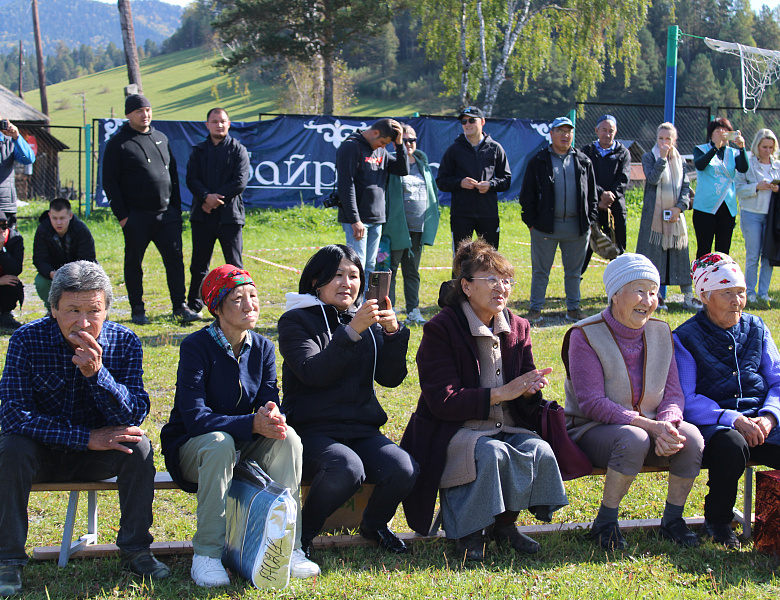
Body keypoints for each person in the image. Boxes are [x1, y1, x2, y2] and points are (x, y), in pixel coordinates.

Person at [0, 261, 170, 597]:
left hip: (99, 456)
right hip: (42, 452)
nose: (83, 322)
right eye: (72, 310)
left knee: (139, 446)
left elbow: (135, 412)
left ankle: (136, 548)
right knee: (10, 448)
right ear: (53, 309)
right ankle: (8, 559)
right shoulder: (26, 340)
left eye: (94, 310)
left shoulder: (124, 342)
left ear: (106, 308)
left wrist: (98, 375)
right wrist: (86, 438)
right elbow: (13, 415)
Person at [401, 239, 567, 561]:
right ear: (466, 286)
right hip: (452, 430)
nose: (500, 288)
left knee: (537, 448)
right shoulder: (441, 329)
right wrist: (501, 393)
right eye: (490, 280)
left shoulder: (518, 326)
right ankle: (467, 533)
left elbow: (524, 395)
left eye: (506, 281)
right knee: (491, 452)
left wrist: (531, 392)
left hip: (506, 426)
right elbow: (442, 401)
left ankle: (504, 526)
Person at [160, 265, 319, 587]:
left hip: (244, 443)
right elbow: (194, 419)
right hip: (195, 449)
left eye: (253, 297)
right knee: (218, 442)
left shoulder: (263, 347)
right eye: (238, 299)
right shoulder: (195, 347)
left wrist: (272, 414)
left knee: (288, 438)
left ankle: (290, 547)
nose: (250, 306)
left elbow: (268, 398)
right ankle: (207, 553)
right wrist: (252, 423)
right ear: (216, 307)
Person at [278, 244, 418, 556]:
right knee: (346, 468)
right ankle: (301, 536)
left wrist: (393, 333)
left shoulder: (364, 320)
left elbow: (390, 379)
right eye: (338, 275)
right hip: (313, 429)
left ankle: (375, 525)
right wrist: (352, 331)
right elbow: (312, 373)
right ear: (316, 280)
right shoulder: (296, 320)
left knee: (403, 468)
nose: (347, 283)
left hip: (360, 428)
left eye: (354, 276)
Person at [563, 253, 704, 550]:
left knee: (690, 437)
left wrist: (668, 425)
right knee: (633, 438)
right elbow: (592, 403)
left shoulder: (661, 331)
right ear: (615, 294)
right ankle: (605, 522)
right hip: (592, 429)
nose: (648, 300)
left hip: (650, 426)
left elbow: (673, 393)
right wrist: (651, 427)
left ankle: (673, 521)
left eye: (653, 292)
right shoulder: (584, 334)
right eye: (639, 290)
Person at [674, 252, 780, 549]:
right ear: (705, 296)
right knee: (732, 446)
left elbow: (777, 381)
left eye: (741, 292)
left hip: (761, 420)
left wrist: (770, 416)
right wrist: (731, 418)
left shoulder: (756, 327)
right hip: (714, 423)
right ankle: (718, 522)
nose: (737, 300)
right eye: (727, 293)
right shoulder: (685, 337)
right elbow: (686, 397)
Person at [102, 93, 200, 325]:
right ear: (128, 115)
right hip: (136, 216)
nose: (145, 114)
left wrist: (175, 208)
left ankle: (179, 306)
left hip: (167, 215)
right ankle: (137, 308)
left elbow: (173, 176)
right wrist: (123, 216)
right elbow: (110, 182)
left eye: (147, 110)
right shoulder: (118, 144)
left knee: (175, 262)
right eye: (139, 111)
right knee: (134, 263)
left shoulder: (161, 138)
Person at [519, 116, 598, 324]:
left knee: (574, 272)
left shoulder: (583, 161)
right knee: (540, 271)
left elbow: (592, 195)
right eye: (560, 131)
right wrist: (532, 223)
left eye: (568, 131)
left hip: (576, 228)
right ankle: (535, 310)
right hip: (545, 228)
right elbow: (527, 194)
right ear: (551, 134)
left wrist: (589, 220)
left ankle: (573, 309)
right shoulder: (538, 161)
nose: (565, 135)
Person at [185, 108, 251, 314]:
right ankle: (195, 305)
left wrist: (214, 200)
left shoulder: (238, 150)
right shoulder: (198, 151)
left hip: (230, 217)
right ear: (207, 125)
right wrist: (205, 197)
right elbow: (191, 179)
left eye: (222, 121)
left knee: (234, 265)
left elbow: (239, 182)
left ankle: (239, 303)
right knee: (199, 265)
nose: (219, 125)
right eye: (214, 121)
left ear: (229, 124)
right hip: (202, 217)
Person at [635, 123, 699, 311]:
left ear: (674, 140)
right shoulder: (649, 157)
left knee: (680, 254)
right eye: (661, 138)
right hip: (653, 220)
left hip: (675, 219)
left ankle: (688, 296)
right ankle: (656, 295)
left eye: (668, 139)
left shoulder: (680, 161)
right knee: (654, 255)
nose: (664, 143)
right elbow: (652, 179)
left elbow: (686, 188)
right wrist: (661, 159)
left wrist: (679, 208)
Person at [336, 118, 408, 280]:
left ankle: (364, 303)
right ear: (375, 133)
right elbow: (346, 185)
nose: (383, 146)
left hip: (377, 218)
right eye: (382, 142)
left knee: (369, 266)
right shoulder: (351, 147)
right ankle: (354, 305)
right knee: (357, 266)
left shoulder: (381, 151)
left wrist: (400, 144)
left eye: (387, 144)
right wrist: (355, 220)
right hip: (358, 220)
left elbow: (402, 169)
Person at [384, 124, 440, 325]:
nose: (408, 144)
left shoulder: (422, 164)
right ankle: (387, 311)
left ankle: (413, 310)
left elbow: (432, 191)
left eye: (412, 140)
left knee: (412, 271)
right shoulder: (392, 162)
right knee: (390, 271)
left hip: (418, 227)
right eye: (404, 140)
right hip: (396, 228)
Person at [436, 106, 511, 251]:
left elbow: (506, 180)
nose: (467, 124)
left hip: (488, 213)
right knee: (461, 260)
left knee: (490, 258)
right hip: (461, 214)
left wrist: (491, 184)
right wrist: (460, 183)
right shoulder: (454, 149)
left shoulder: (495, 148)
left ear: (482, 121)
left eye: (472, 120)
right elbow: (441, 181)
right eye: (464, 122)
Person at [580, 114, 631, 274]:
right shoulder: (586, 151)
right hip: (592, 205)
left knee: (618, 248)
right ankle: (575, 284)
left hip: (615, 207)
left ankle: (620, 283)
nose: (607, 134)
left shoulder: (623, 152)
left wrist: (610, 197)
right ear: (596, 130)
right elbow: (584, 177)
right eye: (604, 130)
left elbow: (624, 178)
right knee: (586, 245)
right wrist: (600, 195)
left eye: (611, 130)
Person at [736, 128, 780, 305]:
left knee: (768, 255)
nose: (767, 151)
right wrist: (756, 187)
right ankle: (751, 292)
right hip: (751, 214)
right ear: (757, 146)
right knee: (753, 255)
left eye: (770, 147)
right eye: (764, 147)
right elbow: (738, 188)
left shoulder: (777, 165)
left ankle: (763, 292)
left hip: (772, 217)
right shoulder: (748, 164)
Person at [692, 117, 748, 258]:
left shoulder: (733, 153)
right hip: (705, 207)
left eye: (726, 131)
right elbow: (700, 165)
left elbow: (743, 168)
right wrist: (715, 147)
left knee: (723, 251)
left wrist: (742, 148)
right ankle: (702, 278)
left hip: (726, 207)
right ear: (711, 134)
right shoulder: (700, 149)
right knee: (704, 249)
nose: (722, 133)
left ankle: (721, 278)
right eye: (718, 130)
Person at [32, 198, 96, 310]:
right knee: (41, 281)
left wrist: (73, 274)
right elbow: (40, 259)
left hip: (79, 273)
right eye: (54, 218)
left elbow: (88, 258)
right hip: (53, 272)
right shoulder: (42, 230)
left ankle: (82, 310)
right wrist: (51, 273)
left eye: (62, 218)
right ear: (49, 216)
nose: (58, 223)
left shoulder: (81, 230)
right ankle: (52, 310)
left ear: (70, 216)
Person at [0, 117, 35, 230]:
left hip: (5, 204)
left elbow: (28, 159)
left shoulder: (9, 141)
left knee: (8, 242)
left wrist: (16, 137)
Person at [0, 210, 24, 329]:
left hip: (6, 281)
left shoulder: (15, 239)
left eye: (3, 226)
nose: (1, 230)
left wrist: (1, 251)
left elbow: (15, 269)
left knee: (14, 282)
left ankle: (5, 314)